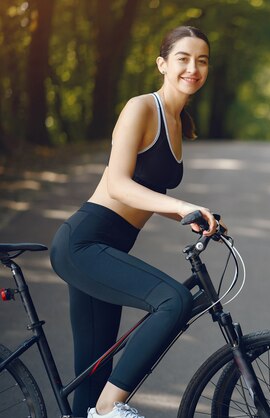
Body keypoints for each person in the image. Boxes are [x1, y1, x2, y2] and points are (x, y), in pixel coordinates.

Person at [50, 26, 218, 418]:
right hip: (84, 243)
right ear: (162, 64)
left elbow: (147, 190)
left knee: (92, 376)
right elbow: (119, 184)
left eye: (202, 60)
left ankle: (97, 405)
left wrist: (192, 216)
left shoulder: (179, 122)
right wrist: (178, 206)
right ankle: (112, 406)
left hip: (108, 248)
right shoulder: (142, 108)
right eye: (183, 58)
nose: (193, 67)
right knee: (173, 301)